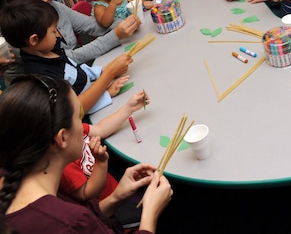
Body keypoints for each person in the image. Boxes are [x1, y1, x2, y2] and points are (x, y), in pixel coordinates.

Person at [0, 75, 173, 234]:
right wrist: (150, 214)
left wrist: (114, 198)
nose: (81, 124)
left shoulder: (13, 189)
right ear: (62, 137)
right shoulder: (70, 221)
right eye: (78, 117)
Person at [0, 0, 139, 85]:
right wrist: (115, 35)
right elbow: (68, 58)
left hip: (82, 75)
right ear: (19, 1)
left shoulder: (53, 6)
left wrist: (127, 23)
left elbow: (92, 26)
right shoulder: (17, 34)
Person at [0, 0, 132, 115]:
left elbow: (75, 70)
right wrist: (108, 79)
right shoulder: (43, 76)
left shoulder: (51, 47)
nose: (59, 35)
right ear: (34, 40)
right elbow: (74, 109)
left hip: (97, 95)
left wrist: (102, 71)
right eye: (53, 31)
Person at [61, 90, 149, 203]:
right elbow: (86, 193)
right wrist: (101, 162)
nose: (81, 122)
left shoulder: (72, 128)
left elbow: (100, 129)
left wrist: (129, 108)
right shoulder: (64, 165)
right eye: (77, 117)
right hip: (112, 204)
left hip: (114, 183)